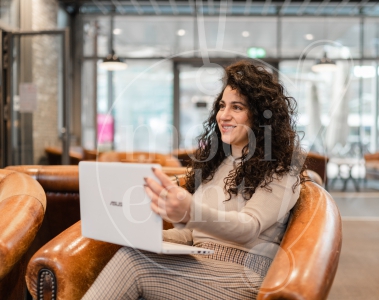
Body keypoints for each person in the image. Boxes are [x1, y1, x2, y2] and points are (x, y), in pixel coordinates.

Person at [82, 61, 305, 300]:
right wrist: (142, 235)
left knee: (133, 264)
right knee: (131, 252)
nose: (224, 116)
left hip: (244, 276)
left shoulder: (281, 169)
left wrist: (191, 212)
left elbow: (248, 228)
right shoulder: (220, 163)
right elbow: (192, 236)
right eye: (222, 106)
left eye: (237, 107)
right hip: (203, 262)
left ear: (260, 117)